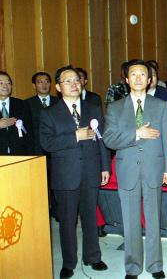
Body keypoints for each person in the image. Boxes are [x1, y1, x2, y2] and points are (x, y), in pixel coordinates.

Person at [103, 59, 167, 279]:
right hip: (128, 172)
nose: (138, 79)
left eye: (143, 75)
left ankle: (155, 265)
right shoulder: (115, 108)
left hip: (154, 169)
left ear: (150, 79)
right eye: (133, 75)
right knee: (131, 222)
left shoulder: (160, 106)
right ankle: (132, 267)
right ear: (126, 79)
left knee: (153, 220)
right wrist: (136, 134)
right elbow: (109, 139)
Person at [39, 66, 110, 279]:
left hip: (91, 171)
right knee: (67, 221)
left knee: (90, 217)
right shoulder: (49, 113)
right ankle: (69, 262)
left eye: (76, 80)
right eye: (67, 81)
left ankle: (93, 257)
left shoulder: (93, 108)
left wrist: (105, 166)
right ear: (59, 87)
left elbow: (101, 140)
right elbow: (46, 142)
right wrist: (75, 136)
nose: (74, 84)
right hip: (65, 175)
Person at [0, 71, 33, 155]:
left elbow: (29, 132)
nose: (5, 86)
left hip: (19, 155)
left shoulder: (22, 104)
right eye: (1, 83)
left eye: (8, 83)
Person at [25, 72, 58, 155]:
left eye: (47, 81)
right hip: (37, 148)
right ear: (34, 85)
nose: (44, 85)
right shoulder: (27, 104)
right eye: (40, 82)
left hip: (57, 147)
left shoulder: (59, 102)